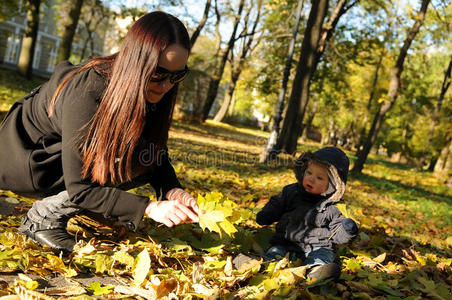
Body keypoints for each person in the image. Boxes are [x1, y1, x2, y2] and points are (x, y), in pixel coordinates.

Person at [0, 11, 199, 253]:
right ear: (136, 63)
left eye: (177, 75)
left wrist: (171, 189)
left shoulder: (150, 89)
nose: (167, 85)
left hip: (58, 161)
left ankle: (89, 209)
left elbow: (154, 152)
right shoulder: (89, 90)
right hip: (27, 161)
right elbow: (80, 188)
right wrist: (149, 208)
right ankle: (41, 220)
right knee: (122, 162)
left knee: (141, 156)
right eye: (158, 74)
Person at [256, 147, 358, 282]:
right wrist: (267, 214)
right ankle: (259, 264)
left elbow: (337, 233)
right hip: (286, 241)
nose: (311, 179)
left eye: (319, 178)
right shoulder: (291, 192)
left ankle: (316, 271)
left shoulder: (333, 207)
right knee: (275, 252)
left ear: (333, 186)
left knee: (323, 255)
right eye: (309, 172)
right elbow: (277, 204)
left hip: (318, 245)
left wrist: (347, 230)